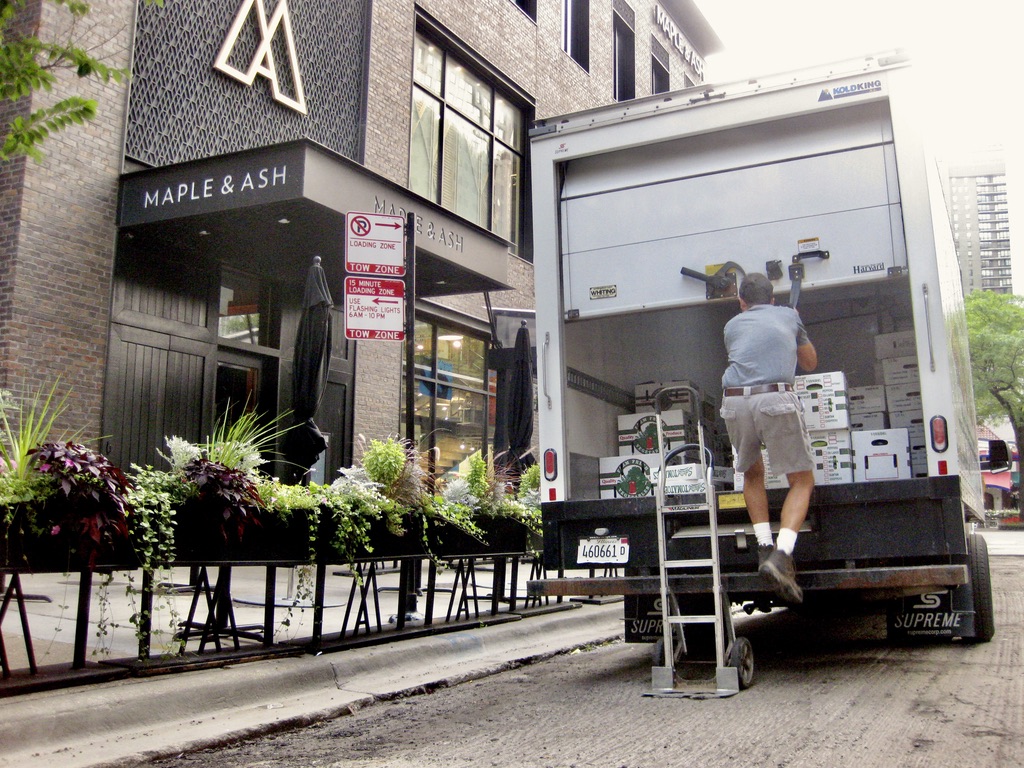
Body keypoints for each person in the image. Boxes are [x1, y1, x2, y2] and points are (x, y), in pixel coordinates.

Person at [720, 273, 817, 603]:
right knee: (801, 480)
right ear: (773, 299)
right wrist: (796, 326)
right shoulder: (789, 316)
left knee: (752, 473)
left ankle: (763, 548)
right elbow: (809, 362)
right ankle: (782, 554)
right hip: (773, 398)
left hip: (734, 401)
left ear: (741, 302)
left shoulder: (732, 325)